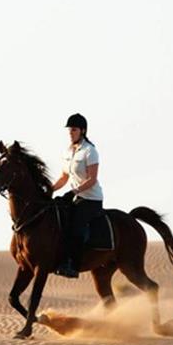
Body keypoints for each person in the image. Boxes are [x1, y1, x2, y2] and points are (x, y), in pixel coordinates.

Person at [50, 113, 103, 278]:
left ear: (83, 130)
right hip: (74, 197)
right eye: (69, 130)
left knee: (75, 224)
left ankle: (72, 264)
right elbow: (64, 177)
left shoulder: (90, 151)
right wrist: (49, 190)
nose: (70, 133)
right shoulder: (68, 151)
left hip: (90, 199)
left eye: (73, 130)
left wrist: (73, 191)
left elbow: (92, 179)